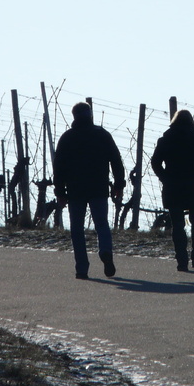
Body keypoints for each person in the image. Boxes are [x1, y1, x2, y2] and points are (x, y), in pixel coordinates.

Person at [54, 102, 126, 279]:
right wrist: (119, 184)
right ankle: (105, 251)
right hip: (98, 187)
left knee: (77, 229)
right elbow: (116, 160)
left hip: (75, 190)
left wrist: (60, 193)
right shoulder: (102, 135)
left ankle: (82, 268)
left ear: (74, 116)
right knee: (101, 223)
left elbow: (59, 168)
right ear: (90, 115)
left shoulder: (67, 138)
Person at [151, 110, 194, 271]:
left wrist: (165, 177)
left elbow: (155, 162)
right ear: (191, 123)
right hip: (193, 184)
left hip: (173, 185)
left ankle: (182, 260)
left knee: (177, 224)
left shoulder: (165, 140)